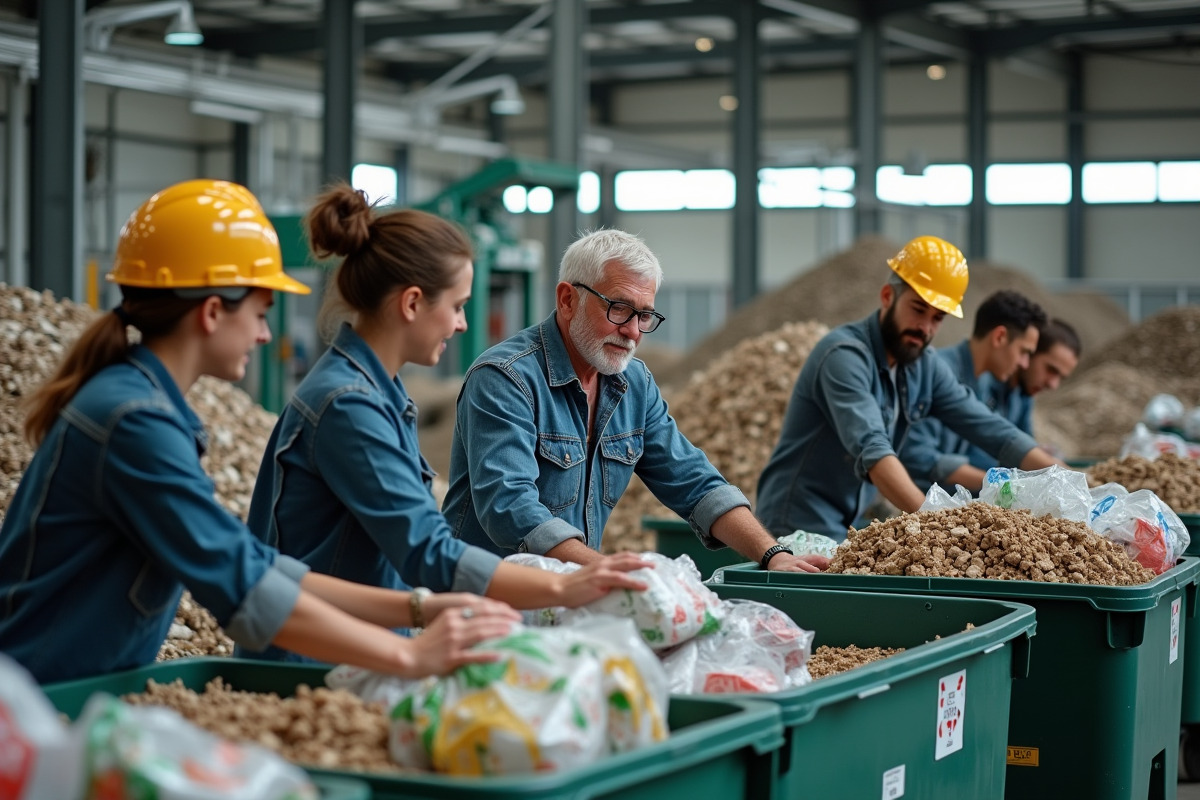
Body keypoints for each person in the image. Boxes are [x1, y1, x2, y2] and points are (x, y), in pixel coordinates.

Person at [0, 180, 519, 684]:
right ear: (210, 312)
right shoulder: (134, 421)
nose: (267, 334)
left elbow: (257, 566)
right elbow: (242, 586)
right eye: (260, 313)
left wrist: (417, 606)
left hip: (56, 688)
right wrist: (405, 654)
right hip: (40, 696)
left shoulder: (136, 404)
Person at [245, 188, 652, 664]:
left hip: (363, 646)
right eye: (458, 306)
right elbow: (428, 551)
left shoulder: (380, 394)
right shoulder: (348, 406)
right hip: (320, 662)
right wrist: (569, 584)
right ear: (413, 303)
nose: (462, 324)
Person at [442, 229, 827, 573]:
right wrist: (611, 572)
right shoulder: (505, 378)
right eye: (619, 308)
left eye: (644, 315)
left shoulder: (633, 383)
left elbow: (693, 479)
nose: (631, 331)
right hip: (479, 605)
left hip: (564, 602)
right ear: (567, 300)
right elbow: (509, 507)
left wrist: (772, 554)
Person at [755, 236, 1065, 541]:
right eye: (918, 309)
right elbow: (874, 451)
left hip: (845, 518)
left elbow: (992, 429)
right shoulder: (844, 356)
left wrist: (1075, 480)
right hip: (795, 523)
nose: (925, 327)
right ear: (888, 296)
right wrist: (938, 528)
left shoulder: (921, 364)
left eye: (937, 318)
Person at [900, 290, 1047, 493]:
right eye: (1024, 352)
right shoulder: (936, 372)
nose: (1024, 364)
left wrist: (1054, 471)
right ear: (1000, 337)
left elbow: (997, 437)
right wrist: (1006, 488)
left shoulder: (984, 383)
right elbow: (918, 456)